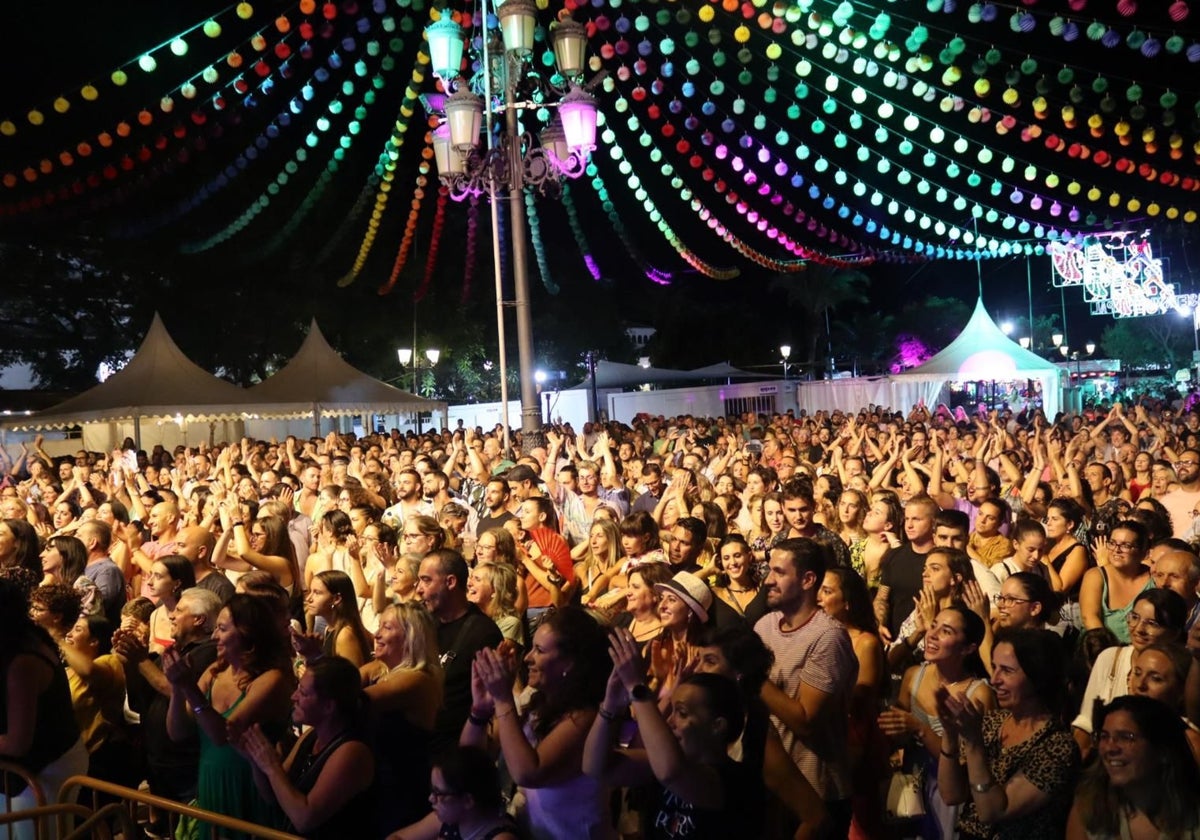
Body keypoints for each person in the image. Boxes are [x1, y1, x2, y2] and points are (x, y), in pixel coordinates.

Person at [584, 631, 762, 839]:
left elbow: (671, 772)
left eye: (682, 713)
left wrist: (637, 687)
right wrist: (611, 704)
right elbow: (595, 766)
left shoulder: (734, 781)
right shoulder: (664, 760)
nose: (670, 722)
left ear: (717, 726)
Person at [463, 607, 614, 840]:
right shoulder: (534, 700)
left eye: (539, 650)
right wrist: (481, 709)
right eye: (531, 647)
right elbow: (470, 757)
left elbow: (528, 772)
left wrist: (503, 699)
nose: (527, 657)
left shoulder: (585, 717)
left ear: (569, 663)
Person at [164, 593, 294, 835]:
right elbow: (177, 732)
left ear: (248, 635)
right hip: (211, 783)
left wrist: (189, 688)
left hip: (250, 787)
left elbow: (224, 734)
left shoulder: (271, 679)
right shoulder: (215, 672)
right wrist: (177, 687)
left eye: (222, 629)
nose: (214, 637)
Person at [755, 537, 859, 835]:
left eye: (779, 572)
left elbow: (805, 721)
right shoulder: (764, 626)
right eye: (769, 571)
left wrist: (752, 676)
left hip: (817, 792)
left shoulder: (827, 637)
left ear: (808, 579)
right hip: (773, 787)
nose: (768, 581)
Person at [936, 628, 1081, 840]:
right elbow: (951, 795)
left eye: (1006, 670)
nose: (994, 680)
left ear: (1037, 676)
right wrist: (949, 733)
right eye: (994, 668)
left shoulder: (1057, 746)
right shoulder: (991, 723)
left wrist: (974, 743)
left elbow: (992, 811)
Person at [880, 605, 995, 839]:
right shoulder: (913, 674)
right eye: (934, 626)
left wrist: (919, 728)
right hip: (911, 786)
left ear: (968, 648)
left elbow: (969, 762)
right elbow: (900, 736)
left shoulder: (978, 694)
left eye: (946, 631)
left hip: (949, 796)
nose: (932, 635)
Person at [242, 656, 376, 839]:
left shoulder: (352, 752)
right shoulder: (310, 737)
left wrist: (272, 766)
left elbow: (304, 819)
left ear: (329, 706)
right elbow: (273, 796)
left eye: (303, 693)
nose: (293, 697)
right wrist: (255, 759)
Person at [0, 578, 89, 840]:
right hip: (25, 769)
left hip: (47, 768)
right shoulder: (18, 641)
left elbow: (18, 742)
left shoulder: (24, 660)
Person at [1071, 588, 1188, 755]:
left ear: (1174, 632)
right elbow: (1086, 722)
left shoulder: (1184, 671)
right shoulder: (1110, 657)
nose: (1139, 629)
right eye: (1134, 617)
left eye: (1152, 623)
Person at [1066, 695, 1200, 839]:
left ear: (1163, 751)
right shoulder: (1089, 809)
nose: (1110, 748)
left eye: (1126, 737)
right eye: (1104, 736)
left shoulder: (1194, 816)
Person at [361, 602, 444, 834]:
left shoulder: (417, 679)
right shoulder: (383, 671)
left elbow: (349, 701)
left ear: (411, 636)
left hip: (401, 793)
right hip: (379, 789)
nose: (377, 634)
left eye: (386, 627)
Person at [417, 549, 502, 757]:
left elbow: (496, 703)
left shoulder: (483, 633)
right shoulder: (425, 623)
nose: (418, 589)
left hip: (453, 753)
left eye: (426, 580)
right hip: (419, 746)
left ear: (451, 582)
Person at [60, 614, 138, 787]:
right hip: (71, 757)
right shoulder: (68, 670)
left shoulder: (108, 662)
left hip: (97, 759)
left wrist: (57, 638)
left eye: (78, 629)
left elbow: (89, 670)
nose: (70, 634)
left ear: (94, 641)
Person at [386, 745, 518, 840]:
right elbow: (397, 836)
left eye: (438, 793)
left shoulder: (501, 837)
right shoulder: (445, 820)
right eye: (432, 790)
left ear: (467, 800)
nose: (431, 798)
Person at [1079, 520, 1153, 643]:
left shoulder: (1153, 578)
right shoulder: (1095, 575)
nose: (1116, 550)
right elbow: (1090, 618)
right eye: (1112, 543)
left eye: (1126, 545)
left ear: (1143, 552)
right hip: (1099, 649)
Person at [298, 569, 374, 667]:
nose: (309, 599)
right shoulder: (329, 628)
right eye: (310, 591)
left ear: (336, 599)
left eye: (317, 593)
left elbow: (353, 679)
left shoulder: (344, 635)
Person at [468, 561, 525, 654]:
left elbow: (492, 657)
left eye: (477, 579)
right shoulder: (470, 615)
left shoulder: (510, 623)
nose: (469, 583)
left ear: (494, 590)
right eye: (471, 578)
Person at [145, 555, 197, 655]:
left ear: (177, 583)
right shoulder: (155, 614)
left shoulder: (191, 617)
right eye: (150, 575)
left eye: (158, 576)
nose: (149, 582)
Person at [710, 533, 760, 617]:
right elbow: (682, 590)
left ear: (749, 556)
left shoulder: (761, 589)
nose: (732, 562)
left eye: (737, 556)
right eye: (726, 558)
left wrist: (761, 555)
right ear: (720, 562)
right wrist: (709, 570)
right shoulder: (715, 593)